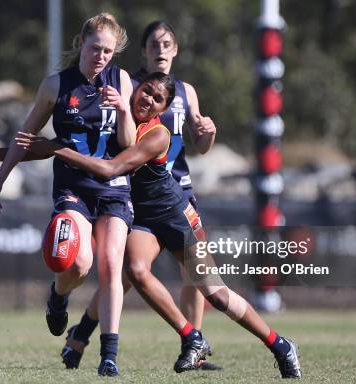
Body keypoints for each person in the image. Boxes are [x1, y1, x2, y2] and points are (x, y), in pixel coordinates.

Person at [15, 72, 302, 378]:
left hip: (173, 214)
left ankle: (280, 345)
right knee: (135, 270)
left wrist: (56, 150)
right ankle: (192, 336)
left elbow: (110, 168)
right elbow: (61, 144)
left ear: (163, 109)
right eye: (146, 91)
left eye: (157, 99)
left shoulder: (158, 134)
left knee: (215, 294)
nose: (148, 100)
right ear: (135, 89)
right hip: (141, 218)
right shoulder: (116, 119)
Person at [58, 20, 221, 372]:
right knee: (128, 273)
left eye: (167, 44)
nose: (161, 49)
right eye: (154, 44)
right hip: (140, 193)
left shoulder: (186, 91)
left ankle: (195, 348)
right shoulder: (131, 86)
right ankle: (83, 333)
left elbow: (201, 144)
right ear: (144, 51)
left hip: (181, 192)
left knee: (195, 272)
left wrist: (208, 132)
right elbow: (120, 139)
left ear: (175, 50)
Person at [0, 12, 135, 377]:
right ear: (81, 44)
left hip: (114, 187)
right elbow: (24, 140)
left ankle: (108, 355)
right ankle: (58, 295)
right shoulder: (56, 85)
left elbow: (129, 144)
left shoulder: (121, 80)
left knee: (112, 265)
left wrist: (124, 109)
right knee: (78, 264)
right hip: (73, 188)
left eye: (108, 51)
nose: (101, 56)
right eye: (95, 48)